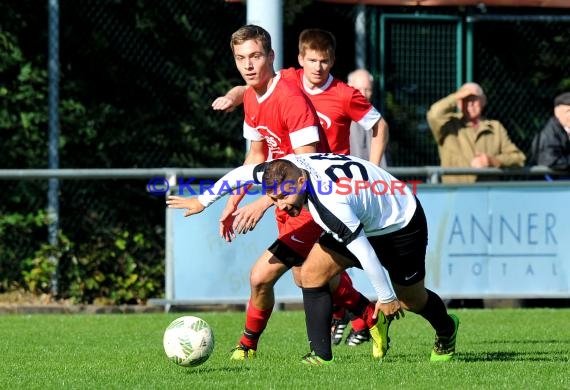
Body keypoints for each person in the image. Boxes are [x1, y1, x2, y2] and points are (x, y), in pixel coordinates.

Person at [167, 152, 459, 365]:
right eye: (275, 199)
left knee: (411, 300)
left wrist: (385, 297)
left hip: (399, 222)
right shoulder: (281, 170)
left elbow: (365, 251)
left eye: (286, 198)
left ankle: (447, 330)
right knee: (311, 274)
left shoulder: (329, 205)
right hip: (364, 213)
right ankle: (321, 357)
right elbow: (240, 174)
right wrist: (202, 201)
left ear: (302, 180)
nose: (281, 206)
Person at [201, 25, 386, 362]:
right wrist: (233, 199)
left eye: (255, 56)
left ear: (271, 57)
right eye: (241, 58)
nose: (248, 64)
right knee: (306, 276)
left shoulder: (295, 96)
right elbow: (256, 154)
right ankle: (366, 314)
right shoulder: (262, 95)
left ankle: (248, 346)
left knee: (270, 276)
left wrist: (261, 202)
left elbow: (307, 166)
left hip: (313, 199)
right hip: (285, 198)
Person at [426, 82, 526, 183]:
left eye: (474, 98)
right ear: (459, 103)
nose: (470, 103)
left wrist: (492, 161)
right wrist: (456, 96)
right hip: (455, 193)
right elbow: (434, 114)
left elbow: (518, 158)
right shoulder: (448, 125)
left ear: (483, 101)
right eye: (465, 99)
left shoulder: (496, 128)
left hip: (487, 194)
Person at [347, 68, 388, 168]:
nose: (363, 94)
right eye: (359, 89)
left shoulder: (377, 119)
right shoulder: (340, 116)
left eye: (367, 89)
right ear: (348, 87)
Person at [533, 92, 570, 174]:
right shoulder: (548, 133)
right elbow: (551, 160)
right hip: (553, 182)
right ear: (557, 112)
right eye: (568, 111)